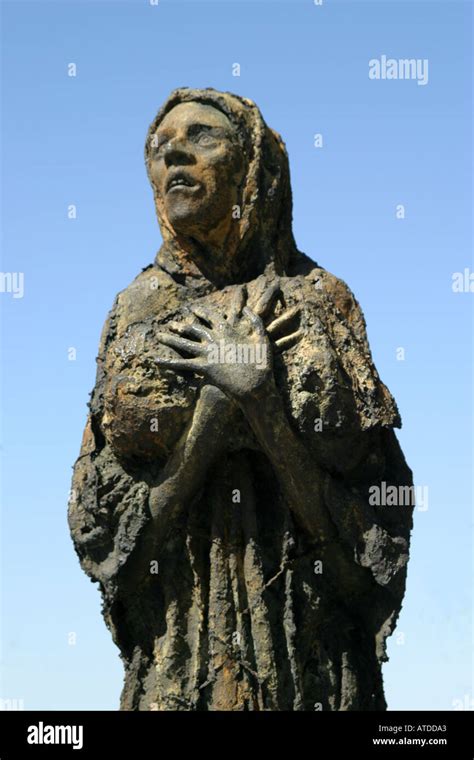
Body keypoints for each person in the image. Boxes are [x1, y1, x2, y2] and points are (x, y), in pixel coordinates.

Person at [69, 88, 413, 711]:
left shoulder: (321, 299)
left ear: (254, 166)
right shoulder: (135, 310)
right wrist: (213, 413)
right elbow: (118, 550)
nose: (175, 153)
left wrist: (264, 407)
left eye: (202, 137)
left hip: (313, 661)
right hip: (179, 656)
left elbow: (373, 538)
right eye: (159, 147)